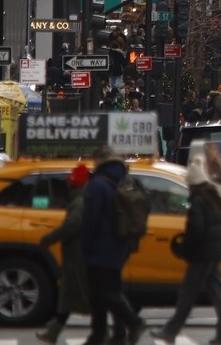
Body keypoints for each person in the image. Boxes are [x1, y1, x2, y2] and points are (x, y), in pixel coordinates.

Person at [153, 157, 221, 345]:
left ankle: (170, 331)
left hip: (201, 255)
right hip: (213, 253)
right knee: (219, 294)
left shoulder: (198, 202)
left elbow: (195, 229)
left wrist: (186, 248)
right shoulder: (214, 199)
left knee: (188, 294)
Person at [81, 146, 145, 345]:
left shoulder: (97, 184)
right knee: (110, 291)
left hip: (100, 247)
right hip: (120, 244)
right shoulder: (126, 180)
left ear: (99, 161)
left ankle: (133, 323)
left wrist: (84, 247)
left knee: (102, 292)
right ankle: (110, 335)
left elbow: (90, 218)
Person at [35, 164, 93, 344]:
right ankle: (53, 332)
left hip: (76, 256)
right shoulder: (83, 199)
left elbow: (73, 225)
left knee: (80, 295)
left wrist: (51, 237)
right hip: (76, 255)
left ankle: (108, 331)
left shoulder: (79, 201)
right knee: (70, 296)